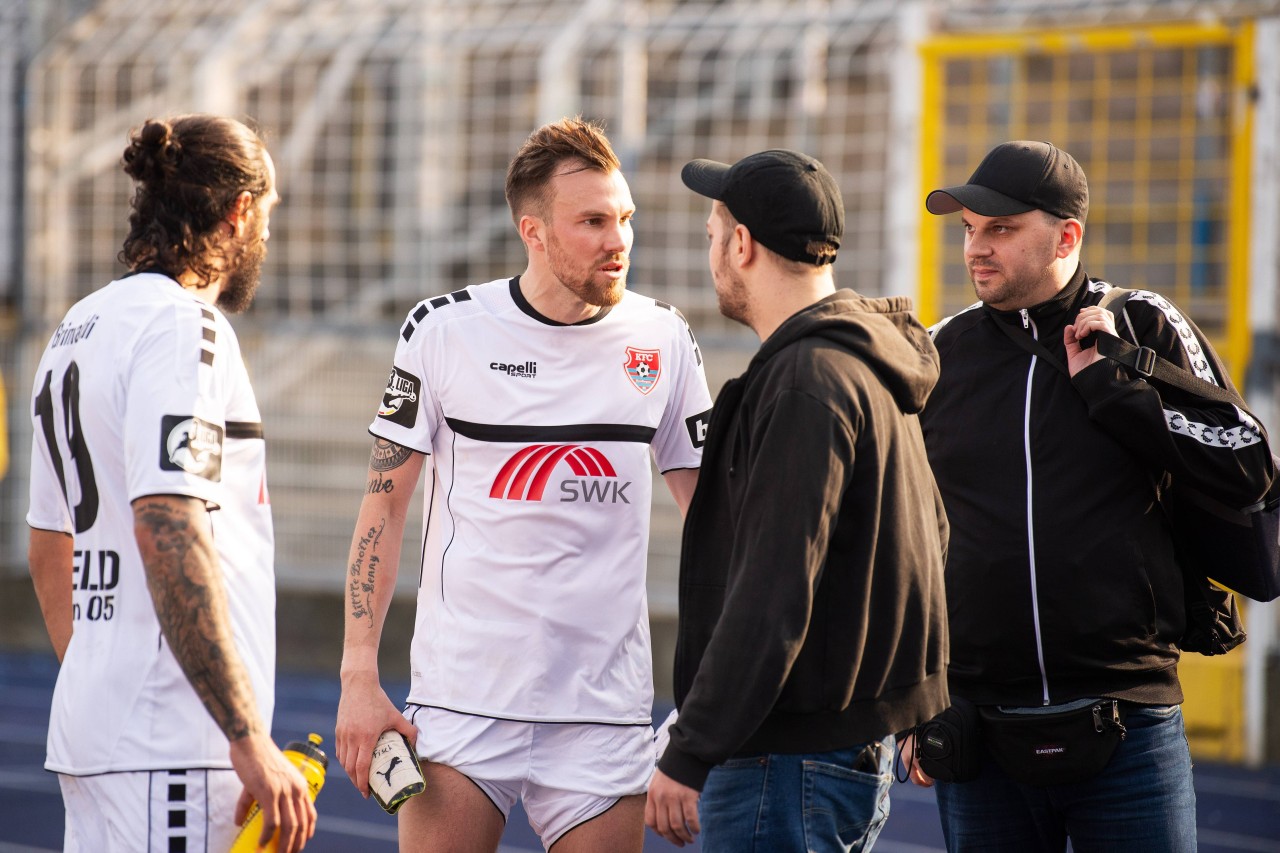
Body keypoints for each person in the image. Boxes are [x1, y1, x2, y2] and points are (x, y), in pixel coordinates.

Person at [334, 117, 712, 853]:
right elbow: (383, 505)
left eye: (625, 218)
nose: (619, 240)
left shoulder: (663, 337)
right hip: (462, 705)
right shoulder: (442, 331)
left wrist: (702, 704)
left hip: (602, 716)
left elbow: (716, 527)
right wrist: (357, 676)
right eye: (594, 221)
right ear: (533, 231)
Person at [909, 140, 1276, 851]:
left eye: (1001, 229)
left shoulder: (1140, 324)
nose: (975, 250)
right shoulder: (940, 351)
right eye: (969, 231)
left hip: (1129, 722)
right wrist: (914, 698)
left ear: (1066, 235)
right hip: (980, 731)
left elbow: (1249, 460)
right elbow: (904, 535)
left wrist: (1119, 391)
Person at [645, 149, 951, 852]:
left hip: (784, 765)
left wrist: (690, 749)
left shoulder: (806, 382)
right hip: (838, 752)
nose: (712, 251)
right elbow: (932, 536)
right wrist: (912, 700)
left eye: (713, 234)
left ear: (742, 245)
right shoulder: (867, 363)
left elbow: (772, 588)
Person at [26, 115, 316, 852]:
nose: (268, 239)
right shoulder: (185, 327)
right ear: (239, 211)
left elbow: (47, 543)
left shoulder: (76, 329)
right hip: (173, 746)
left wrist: (102, 671)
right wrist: (246, 734)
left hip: (102, 732)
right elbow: (168, 519)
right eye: (269, 216)